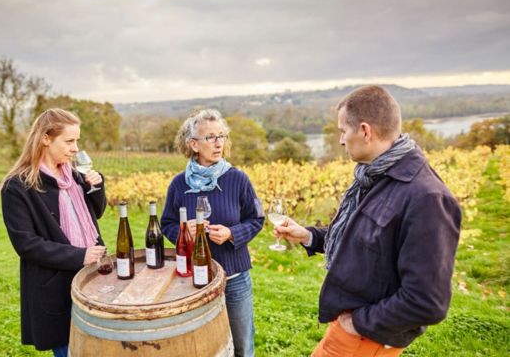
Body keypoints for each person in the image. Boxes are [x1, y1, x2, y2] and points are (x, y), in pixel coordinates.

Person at [275, 85, 461, 357]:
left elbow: (427, 302)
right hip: (352, 329)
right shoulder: (376, 176)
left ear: (364, 131)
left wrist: (356, 323)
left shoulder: (426, 197)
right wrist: (308, 236)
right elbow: (364, 241)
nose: (340, 140)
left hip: (365, 339)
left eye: (342, 131)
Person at [1, 108, 107, 357]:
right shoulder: (18, 187)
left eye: (77, 141)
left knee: (100, 344)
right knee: (69, 350)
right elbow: (27, 244)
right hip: (54, 286)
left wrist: (96, 187)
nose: (75, 148)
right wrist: (80, 256)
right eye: (69, 141)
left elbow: (96, 213)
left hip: (92, 275)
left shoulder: (73, 175)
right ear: (46, 138)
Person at [160, 109, 264, 357]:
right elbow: (167, 224)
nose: (219, 143)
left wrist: (231, 233)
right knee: (202, 348)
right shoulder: (179, 184)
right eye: (210, 137)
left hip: (234, 277)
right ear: (194, 144)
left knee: (242, 348)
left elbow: (256, 219)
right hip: (194, 281)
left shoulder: (238, 179)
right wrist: (186, 232)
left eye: (222, 136)